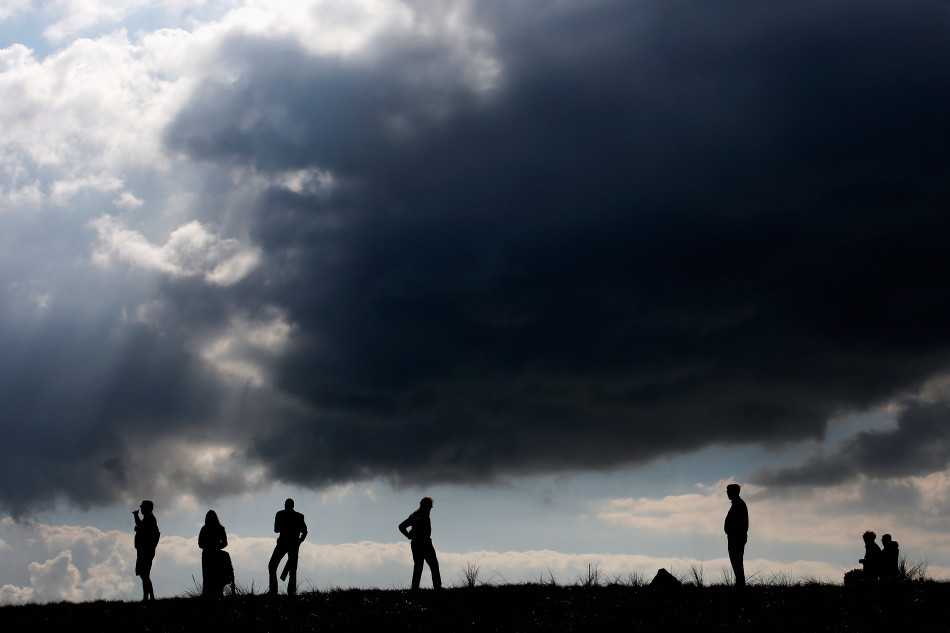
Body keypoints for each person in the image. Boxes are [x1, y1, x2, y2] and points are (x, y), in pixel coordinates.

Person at [398, 496, 442, 590]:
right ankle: (437, 588)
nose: (431, 508)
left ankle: (415, 589)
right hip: (424, 544)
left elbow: (401, 526)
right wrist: (409, 536)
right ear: (425, 506)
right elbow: (401, 526)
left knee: (418, 567)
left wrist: (409, 536)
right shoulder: (421, 516)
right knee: (433, 566)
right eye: (430, 506)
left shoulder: (415, 515)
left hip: (416, 544)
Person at [268, 498, 308, 596]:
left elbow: (276, 529)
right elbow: (305, 531)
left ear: (285, 505)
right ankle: (291, 592)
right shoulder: (299, 516)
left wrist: (299, 541)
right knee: (292, 570)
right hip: (292, 545)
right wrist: (299, 541)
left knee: (273, 566)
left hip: (283, 543)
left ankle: (274, 591)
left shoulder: (280, 514)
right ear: (293, 505)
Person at [198, 510, 233, 597]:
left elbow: (200, 544)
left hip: (211, 555)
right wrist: (214, 547)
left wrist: (215, 548)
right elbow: (200, 543)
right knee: (209, 576)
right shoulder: (218, 528)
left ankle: (211, 594)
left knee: (212, 576)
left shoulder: (207, 529)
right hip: (209, 555)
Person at [133, 500, 160, 602]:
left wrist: (136, 516)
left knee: (144, 574)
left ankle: (149, 597)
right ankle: (148, 597)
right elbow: (141, 527)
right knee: (144, 574)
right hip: (144, 550)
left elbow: (141, 527)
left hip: (145, 551)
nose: (141, 508)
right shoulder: (149, 518)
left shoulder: (150, 519)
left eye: (142, 506)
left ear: (147, 508)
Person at [724, 483, 748, 589]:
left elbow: (741, 524)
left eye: (728, 491)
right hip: (735, 538)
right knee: (736, 562)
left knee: (737, 562)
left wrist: (735, 534)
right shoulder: (737, 504)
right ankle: (739, 585)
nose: (727, 493)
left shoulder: (739, 504)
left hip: (736, 538)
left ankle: (740, 586)